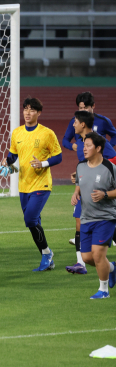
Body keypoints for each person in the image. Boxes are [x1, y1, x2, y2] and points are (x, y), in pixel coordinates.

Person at [1, 97, 62, 271]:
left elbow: (58, 156)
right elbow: (12, 155)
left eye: (32, 110)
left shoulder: (47, 133)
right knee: (33, 222)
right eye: (26, 109)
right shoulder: (17, 133)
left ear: (39, 113)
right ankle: (46, 255)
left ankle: (47, 254)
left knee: (29, 219)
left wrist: (42, 164)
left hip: (41, 184)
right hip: (23, 185)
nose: (28, 113)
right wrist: (7, 162)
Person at [66, 111, 116, 274]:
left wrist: (99, 174)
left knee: (105, 222)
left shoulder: (96, 139)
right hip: (86, 189)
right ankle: (82, 262)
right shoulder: (81, 141)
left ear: (82, 124)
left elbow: (113, 158)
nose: (73, 124)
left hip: (101, 189)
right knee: (79, 221)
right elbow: (85, 164)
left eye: (75, 121)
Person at [71, 132, 116, 299]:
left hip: (105, 217)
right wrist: (76, 193)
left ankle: (103, 290)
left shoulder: (110, 168)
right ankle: (111, 268)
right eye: (84, 145)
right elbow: (79, 183)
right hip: (86, 218)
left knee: (98, 254)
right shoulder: (81, 166)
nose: (84, 148)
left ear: (98, 148)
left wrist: (105, 194)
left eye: (88, 145)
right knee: (87, 257)